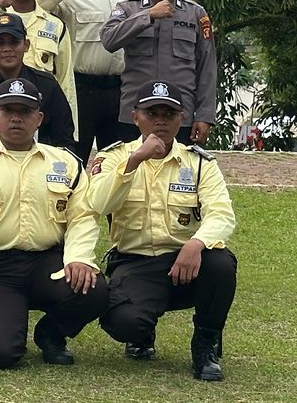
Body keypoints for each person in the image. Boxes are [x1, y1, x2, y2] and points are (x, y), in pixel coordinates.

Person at [0, 78, 108, 368]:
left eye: (25, 111)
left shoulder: (65, 163)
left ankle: (51, 334)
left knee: (94, 289)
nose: (16, 118)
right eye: (8, 110)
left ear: (39, 118)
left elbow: (83, 216)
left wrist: (78, 258)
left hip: (46, 263)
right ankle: (0, 316)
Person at [79, 81, 237, 381]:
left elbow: (222, 214)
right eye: (152, 113)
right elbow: (98, 203)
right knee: (122, 322)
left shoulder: (199, 163)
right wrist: (135, 160)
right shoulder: (112, 157)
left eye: (169, 114)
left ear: (182, 118)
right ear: (135, 117)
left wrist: (196, 243)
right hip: (135, 262)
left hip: (184, 261)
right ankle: (142, 331)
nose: (160, 121)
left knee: (220, 264)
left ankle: (206, 343)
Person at [100, 0, 217, 144]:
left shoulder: (196, 13)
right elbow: (108, 40)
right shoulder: (128, 9)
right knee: (132, 163)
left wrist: (205, 116)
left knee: (179, 164)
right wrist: (148, 15)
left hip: (179, 115)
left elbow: (207, 68)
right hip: (135, 115)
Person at [37, 0, 130, 158]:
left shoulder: (127, 0)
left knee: (116, 160)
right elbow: (35, 7)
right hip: (81, 90)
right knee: (73, 156)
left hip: (118, 90)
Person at [0, 11, 77, 152]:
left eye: (14, 42)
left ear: (26, 45)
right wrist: (3, 114)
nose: (7, 49)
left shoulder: (47, 85)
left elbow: (64, 136)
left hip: (37, 159)